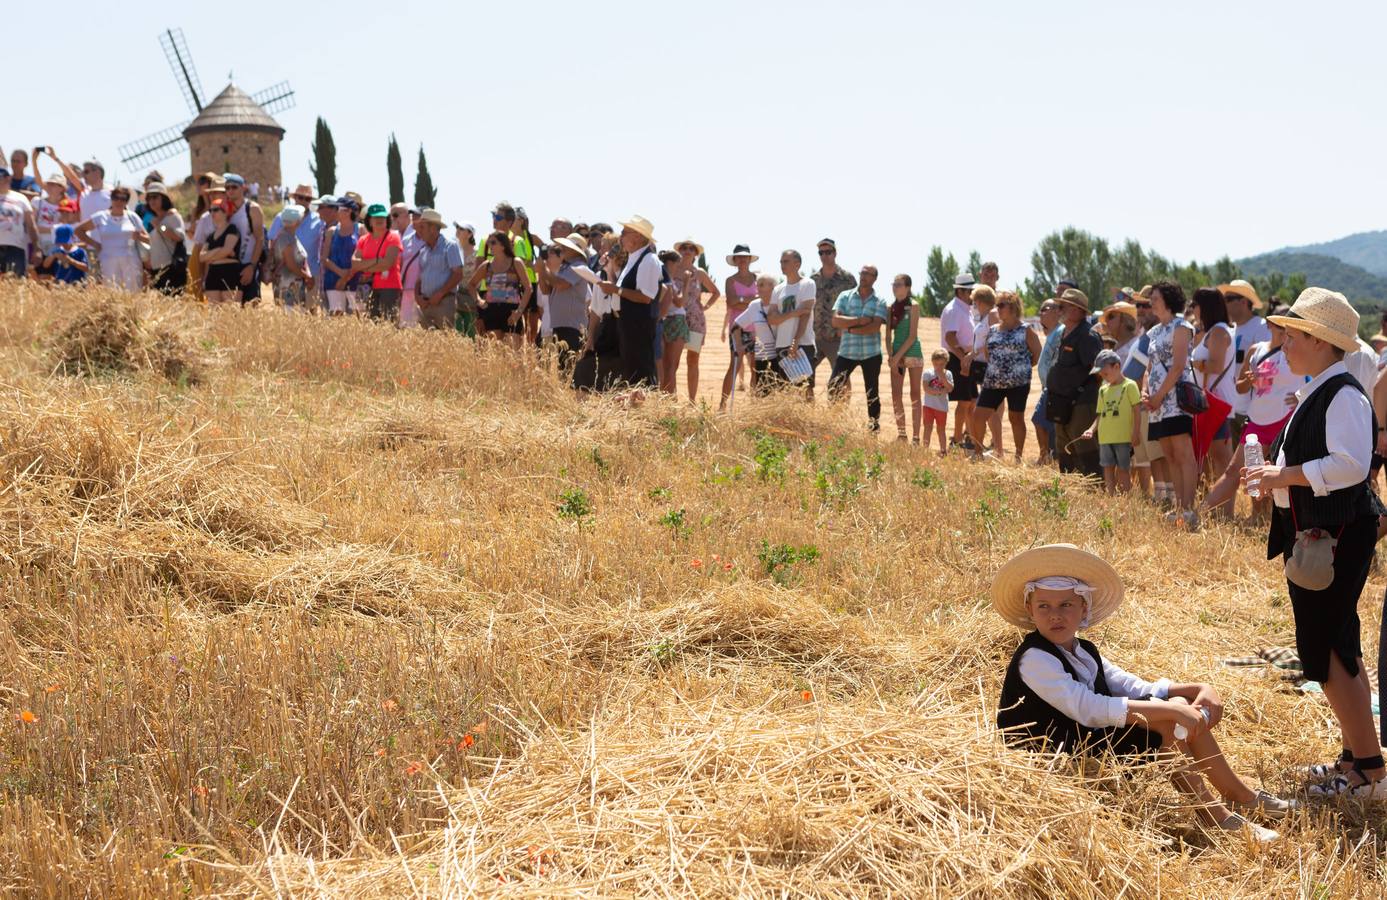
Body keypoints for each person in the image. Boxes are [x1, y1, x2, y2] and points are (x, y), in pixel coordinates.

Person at [992, 544, 1289, 842]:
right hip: (1052, 752)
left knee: (1176, 704)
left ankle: (1238, 795)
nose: (1055, 615)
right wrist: (1171, 712)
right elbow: (1088, 708)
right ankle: (1217, 815)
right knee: (1167, 721)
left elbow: (1131, 685)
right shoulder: (1035, 658)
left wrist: (1195, 689)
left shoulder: (1082, 650)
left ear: (1084, 608)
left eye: (1066, 605)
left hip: (1083, 737)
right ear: (1030, 610)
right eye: (1044, 606)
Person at [1245, 289, 1385, 800]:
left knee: (1327, 651)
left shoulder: (1342, 393)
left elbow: (1350, 465)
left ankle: (1369, 773)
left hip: (1336, 537)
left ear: (1322, 342)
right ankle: (1356, 762)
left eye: (1294, 334)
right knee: (1338, 648)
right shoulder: (1323, 388)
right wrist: (1276, 480)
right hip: (1324, 536)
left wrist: (1284, 474)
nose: (1283, 343)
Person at [1202, 308, 1299, 520]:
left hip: (1285, 420)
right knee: (1235, 472)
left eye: (1289, 326)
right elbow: (1240, 388)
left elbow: (1313, 378)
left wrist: (1301, 398)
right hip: (1257, 420)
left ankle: (1264, 521)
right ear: (1270, 324)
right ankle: (1199, 514)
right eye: (1281, 324)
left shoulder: (1296, 352)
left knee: (1276, 475)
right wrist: (1248, 380)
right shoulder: (1256, 349)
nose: (1285, 330)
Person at [1143, 281, 1200, 529]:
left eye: (1154, 297)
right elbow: (1149, 367)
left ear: (1167, 299)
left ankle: (1190, 508)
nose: (1151, 302)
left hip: (1175, 400)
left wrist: (1158, 396)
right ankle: (1180, 508)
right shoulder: (1153, 332)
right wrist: (1147, 392)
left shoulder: (1182, 326)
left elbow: (1178, 366)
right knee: (1169, 455)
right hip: (1157, 403)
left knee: (1183, 453)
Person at [972, 290, 1042, 461]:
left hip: (1018, 383)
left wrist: (1021, 367)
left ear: (1013, 307)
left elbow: (1037, 353)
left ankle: (1018, 457)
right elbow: (989, 353)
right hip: (993, 382)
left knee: (1015, 417)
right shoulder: (993, 329)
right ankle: (978, 453)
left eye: (1001, 305)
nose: (997, 309)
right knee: (978, 415)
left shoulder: (1026, 330)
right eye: (997, 305)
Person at [597, 216, 661, 389]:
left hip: (637, 324)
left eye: (625, 233)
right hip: (626, 322)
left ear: (638, 236)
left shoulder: (649, 260)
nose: (620, 237)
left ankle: (645, 408)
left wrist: (615, 290)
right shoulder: (634, 258)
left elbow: (645, 297)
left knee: (640, 370)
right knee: (630, 370)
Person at [1046, 288, 1103, 478]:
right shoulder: (1065, 333)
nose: (1059, 309)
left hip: (1082, 402)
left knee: (1084, 446)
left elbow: (1099, 371)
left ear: (1078, 311)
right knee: (1064, 446)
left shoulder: (1087, 336)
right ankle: (1069, 485)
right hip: (1063, 402)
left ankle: (1094, 488)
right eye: (1060, 305)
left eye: (1064, 306)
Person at [1122, 287, 1170, 502]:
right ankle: (1157, 497)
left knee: (1158, 456)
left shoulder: (1158, 334)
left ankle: (1166, 498)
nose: (1140, 309)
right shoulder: (1146, 334)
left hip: (1150, 405)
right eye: (1138, 305)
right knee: (1146, 457)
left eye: (1145, 305)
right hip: (1139, 405)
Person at [828, 265, 889, 431]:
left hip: (871, 353)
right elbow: (835, 321)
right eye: (862, 273)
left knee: (872, 392)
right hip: (847, 352)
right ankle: (834, 422)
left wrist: (848, 328)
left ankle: (873, 428)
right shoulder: (845, 296)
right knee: (833, 385)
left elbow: (874, 327)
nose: (863, 277)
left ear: (875, 278)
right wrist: (859, 320)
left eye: (868, 274)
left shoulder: (880, 301)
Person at [1079, 350, 1142, 494]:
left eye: (1105, 373)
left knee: (1123, 468)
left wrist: (1136, 432)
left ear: (1117, 367)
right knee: (1107, 467)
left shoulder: (1129, 386)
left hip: (1123, 437)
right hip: (1105, 437)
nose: (1103, 376)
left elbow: (1137, 412)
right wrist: (1091, 429)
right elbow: (1100, 415)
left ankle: (1126, 495)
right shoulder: (1103, 390)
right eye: (1101, 374)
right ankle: (1111, 495)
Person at [1191, 287, 1237, 479]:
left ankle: (1224, 508)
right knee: (1213, 459)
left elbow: (1215, 366)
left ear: (1204, 307)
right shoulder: (1215, 331)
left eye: (1194, 304)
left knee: (1220, 459)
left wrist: (1192, 362)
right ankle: (1216, 505)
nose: (1192, 308)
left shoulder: (1218, 331)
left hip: (1215, 402)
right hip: (1211, 401)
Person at [669, 239, 719, 403]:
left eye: (691, 248)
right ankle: (671, 397)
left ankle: (692, 401)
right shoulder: (673, 270)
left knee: (693, 359)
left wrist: (704, 307)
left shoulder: (700, 273)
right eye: (684, 247)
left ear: (696, 253)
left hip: (695, 321)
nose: (687, 250)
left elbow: (715, 292)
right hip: (675, 318)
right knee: (673, 360)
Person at [1221, 279, 1271, 444]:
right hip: (1231, 409)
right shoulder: (1229, 331)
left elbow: (1268, 368)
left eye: (1228, 300)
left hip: (1252, 411)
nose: (1224, 304)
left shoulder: (1261, 327)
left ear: (1243, 302)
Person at [75, 186, 147, 291]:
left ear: (126, 202)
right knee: (112, 293)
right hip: (108, 261)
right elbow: (78, 230)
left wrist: (139, 237)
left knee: (133, 293)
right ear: (111, 199)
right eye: (116, 198)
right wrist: (95, 244)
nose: (119, 201)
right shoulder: (101, 216)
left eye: (123, 199)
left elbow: (148, 239)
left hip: (131, 261)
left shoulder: (132, 217)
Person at [470, 230, 532, 348]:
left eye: (493, 242)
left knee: (513, 353)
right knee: (495, 353)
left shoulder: (516, 263)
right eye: (489, 243)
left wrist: (519, 312)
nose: (489, 246)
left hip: (511, 310)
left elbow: (528, 288)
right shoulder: (486, 265)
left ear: (503, 245)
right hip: (491, 309)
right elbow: (471, 285)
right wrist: (479, 301)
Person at [538, 232, 591, 367]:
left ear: (576, 250)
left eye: (567, 246)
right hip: (561, 325)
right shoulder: (564, 268)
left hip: (571, 326)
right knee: (561, 367)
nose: (563, 248)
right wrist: (541, 272)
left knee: (567, 368)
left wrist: (543, 269)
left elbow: (560, 284)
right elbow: (546, 291)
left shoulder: (578, 267)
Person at [268, 185, 326, 306]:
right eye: (300, 197)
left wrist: (311, 276)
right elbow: (272, 244)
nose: (303, 201)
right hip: (286, 275)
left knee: (310, 312)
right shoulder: (281, 217)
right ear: (295, 198)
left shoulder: (319, 220)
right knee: (289, 313)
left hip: (312, 273)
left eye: (307, 199)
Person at [811, 238, 856, 388]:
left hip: (838, 338)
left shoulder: (847, 279)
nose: (824, 256)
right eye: (821, 253)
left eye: (828, 252)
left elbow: (855, 306)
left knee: (841, 378)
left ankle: (840, 410)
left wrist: (845, 330)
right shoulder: (812, 281)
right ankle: (808, 410)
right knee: (804, 377)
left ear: (835, 253)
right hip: (815, 337)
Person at [770, 250, 816, 397]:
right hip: (782, 344)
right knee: (785, 389)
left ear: (797, 264)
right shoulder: (778, 289)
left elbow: (805, 314)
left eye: (786, 261)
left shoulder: (807, 284)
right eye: (781, 262)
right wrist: (792, 313)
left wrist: (795, 341)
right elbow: (771, 318)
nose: (782, 265)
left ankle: (810, 420)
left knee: (805, 388)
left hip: (803, 343)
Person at [412, 209, 467, 331]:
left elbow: (458, 274)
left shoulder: (450, 246)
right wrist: (417, 297)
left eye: (422, 227)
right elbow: (419, 278)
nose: (419, 231)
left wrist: (440, 294)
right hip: (425, 304)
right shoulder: (423, 251)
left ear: (433, 228)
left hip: (445, 303)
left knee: (446, 341)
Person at [940, 273, 978, 447]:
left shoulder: (963, 308)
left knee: (970, 401)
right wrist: (963, 358)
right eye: (970, 291)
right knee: (964, 402)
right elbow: (950, 337)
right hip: (957, 358)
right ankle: (957, 439)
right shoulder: (955, 309)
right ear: (961, 292)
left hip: (963, 357)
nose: (973, 294)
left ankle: (970, 437)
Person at [721, 245, 760, 407]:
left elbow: (762, 301)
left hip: (757, 328)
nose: (742, 260)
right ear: (735, 260)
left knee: (755, 367)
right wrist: (751, 300)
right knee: (735, 366)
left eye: (745, 257)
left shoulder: (758, 278)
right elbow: (731, 302)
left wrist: (741, 300)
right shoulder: (730, 280)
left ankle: (754, 404)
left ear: (749, 259)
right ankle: (722, 404)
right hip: (738, 328)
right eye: (739, 257)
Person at [733, 273, 785, 394]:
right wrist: (739, 346)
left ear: (773, 288)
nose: (757, 288)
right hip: (762, 357)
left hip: (781, 354)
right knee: (762, 393)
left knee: (781, 392)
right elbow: (736, 326)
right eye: (757, 285)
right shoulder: (755, 305)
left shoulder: (781, 304)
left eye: (761, 285)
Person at [886, 274, 923, 443]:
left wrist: (896, 357)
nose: (895, 287)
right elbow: (887, 335)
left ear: (907, 287)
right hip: (896, 356)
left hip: (912, 352)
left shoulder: (913, 305)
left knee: (915, 394)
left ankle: (916, 436)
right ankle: (902, 434)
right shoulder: (890, 307)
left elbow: (912, 335)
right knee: (896, 394)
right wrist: (890, 355)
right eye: (894, 284)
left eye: (899, 284)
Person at [353, 204, 404, 322]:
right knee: (368, 323)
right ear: (369, 221)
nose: (379, 220)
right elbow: (354, 264)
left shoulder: (393, 237)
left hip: (390, 287)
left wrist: (365, 267)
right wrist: (377, 261)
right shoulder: (363, 239)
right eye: (375, 217)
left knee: (388, 323)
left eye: (382, 217)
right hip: (368, 288)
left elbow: (387, 264)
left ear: (387, 219)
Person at [967, 287, 1003, 454]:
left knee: (991, 410)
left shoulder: (993, 314)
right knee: (990, 410)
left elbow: (994, 340)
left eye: (975, 301)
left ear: (980, 301)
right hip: (983, 367)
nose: (974, 305)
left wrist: (972, 354)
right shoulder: (984, 316)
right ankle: (996, 449)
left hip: (991, 367)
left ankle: (997, 449)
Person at [221, 174, 265, 306]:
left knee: (250, 306)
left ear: (243, 188)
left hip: (248, 263)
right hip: (231, 265)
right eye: (227, 188)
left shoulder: (252, 208)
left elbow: (260, 239)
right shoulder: (226, 211)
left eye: (234, 187)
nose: (230, 191)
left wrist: (252, 266)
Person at [1031, 299, 1063, 464]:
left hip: (1055, 387)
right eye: (1041, 309)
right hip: (1048, 387)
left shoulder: (1061, 331)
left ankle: (1047, 457)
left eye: (1046, 309)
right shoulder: (1053, 333)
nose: (1042, 312)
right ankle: (1047, 456)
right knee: (1045, 423)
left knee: (1040, 420)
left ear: (1058, 312)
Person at [656, 249, 690, 395]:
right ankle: (670, 398)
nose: (679, 267)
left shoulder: (660, 278)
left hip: (666, 321)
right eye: (677, 263)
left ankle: (666, 396)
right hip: (676, 321)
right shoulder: (668, 280)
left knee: (664, 364)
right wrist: (687, 282)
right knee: (672, 366)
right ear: (669, 263)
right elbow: (680, 302)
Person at [320, 198, 362, 316]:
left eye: (338, 209)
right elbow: (324, 258)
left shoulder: (361, 230)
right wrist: (340, 273)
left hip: (355, 281)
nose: (335, 212)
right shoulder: (331, 231)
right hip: (333, 281)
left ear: (349, 211)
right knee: (335, 318)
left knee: (356, 317)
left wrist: (346, 276)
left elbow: (364, 256)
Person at [143, 183, 187, 295]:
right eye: (149, 198)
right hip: (157, 269)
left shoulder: (173, 216)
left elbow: (178, 237)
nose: (152, 200)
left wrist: (160, 226)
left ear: (164, 198)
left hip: (171, 269)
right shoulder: (154, 219)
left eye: (155, 197)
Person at [198, 202, 242, 305]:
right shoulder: (210, 235)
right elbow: (201, 257)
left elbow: (226, 250)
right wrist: (219, 250)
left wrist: (211, 256)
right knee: (214, 313)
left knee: (230, 313)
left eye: (216, 210)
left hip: (230, 272)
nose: (212, 213)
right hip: (213, 273)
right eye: (210, 210)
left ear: (226, 212)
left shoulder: (232, 229)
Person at [272, 205, 311, 312]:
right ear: (297, 221)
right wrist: (308, 277)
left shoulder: (288, 236)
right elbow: (291, 264)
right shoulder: (286, 238)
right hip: (288, 287)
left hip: (292, 287)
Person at [0, 167, 38, 277]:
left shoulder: (21, 198)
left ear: (9, 179)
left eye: (2, 178)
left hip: (16, 247)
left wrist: (37, 248)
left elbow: (31, 225)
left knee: (16, 283)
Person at [922, 350, 954, 454]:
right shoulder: (928, 373)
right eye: (936, 364)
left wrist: (943, 378)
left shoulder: (948, 373)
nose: (938, 366)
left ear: (946, 363)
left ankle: (943, 450)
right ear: (932, 362)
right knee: (927, 427)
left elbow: (950, 388)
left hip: (941, 407)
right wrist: (940, 391)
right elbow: (926, 388)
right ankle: (925, 450)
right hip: (928, 406)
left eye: (941, 364)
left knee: (941, 429)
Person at [453, 222, 480, 336]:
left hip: (472, 300)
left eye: (461, 228)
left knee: (471, 335)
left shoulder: (478, 255)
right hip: (454, 299)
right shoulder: (452, 251)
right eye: (457, 227)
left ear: (470, 234)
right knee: (456, 334)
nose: (457, 230)